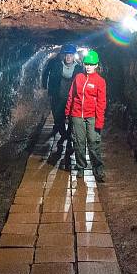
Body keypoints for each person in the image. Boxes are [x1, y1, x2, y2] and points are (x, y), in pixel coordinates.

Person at [65, 49, 107, 181]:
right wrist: (67, 112)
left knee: (94, 143)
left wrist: (99, 121)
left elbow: (101, 103)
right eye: (86, 64)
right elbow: (71, 95)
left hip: (92, 116)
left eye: (91, 64)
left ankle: (98, 168)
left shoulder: (100, 81)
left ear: (96, 65)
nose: (88, 67)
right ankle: (81, 167)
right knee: (78, 142)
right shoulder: (79, 77)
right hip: (77, 115)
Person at [41, 44, 83, 148]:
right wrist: (46, 87)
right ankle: (63, 134)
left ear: (74, 56)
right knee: (58, 119)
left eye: (71, 55)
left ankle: (69, 135)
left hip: (72, 98)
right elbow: (47, 74)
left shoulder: (79, 68)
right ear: (63, 56)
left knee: (72, 119)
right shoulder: (56, 65)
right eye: (66, 55)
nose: (68, 57)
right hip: (58, 96)